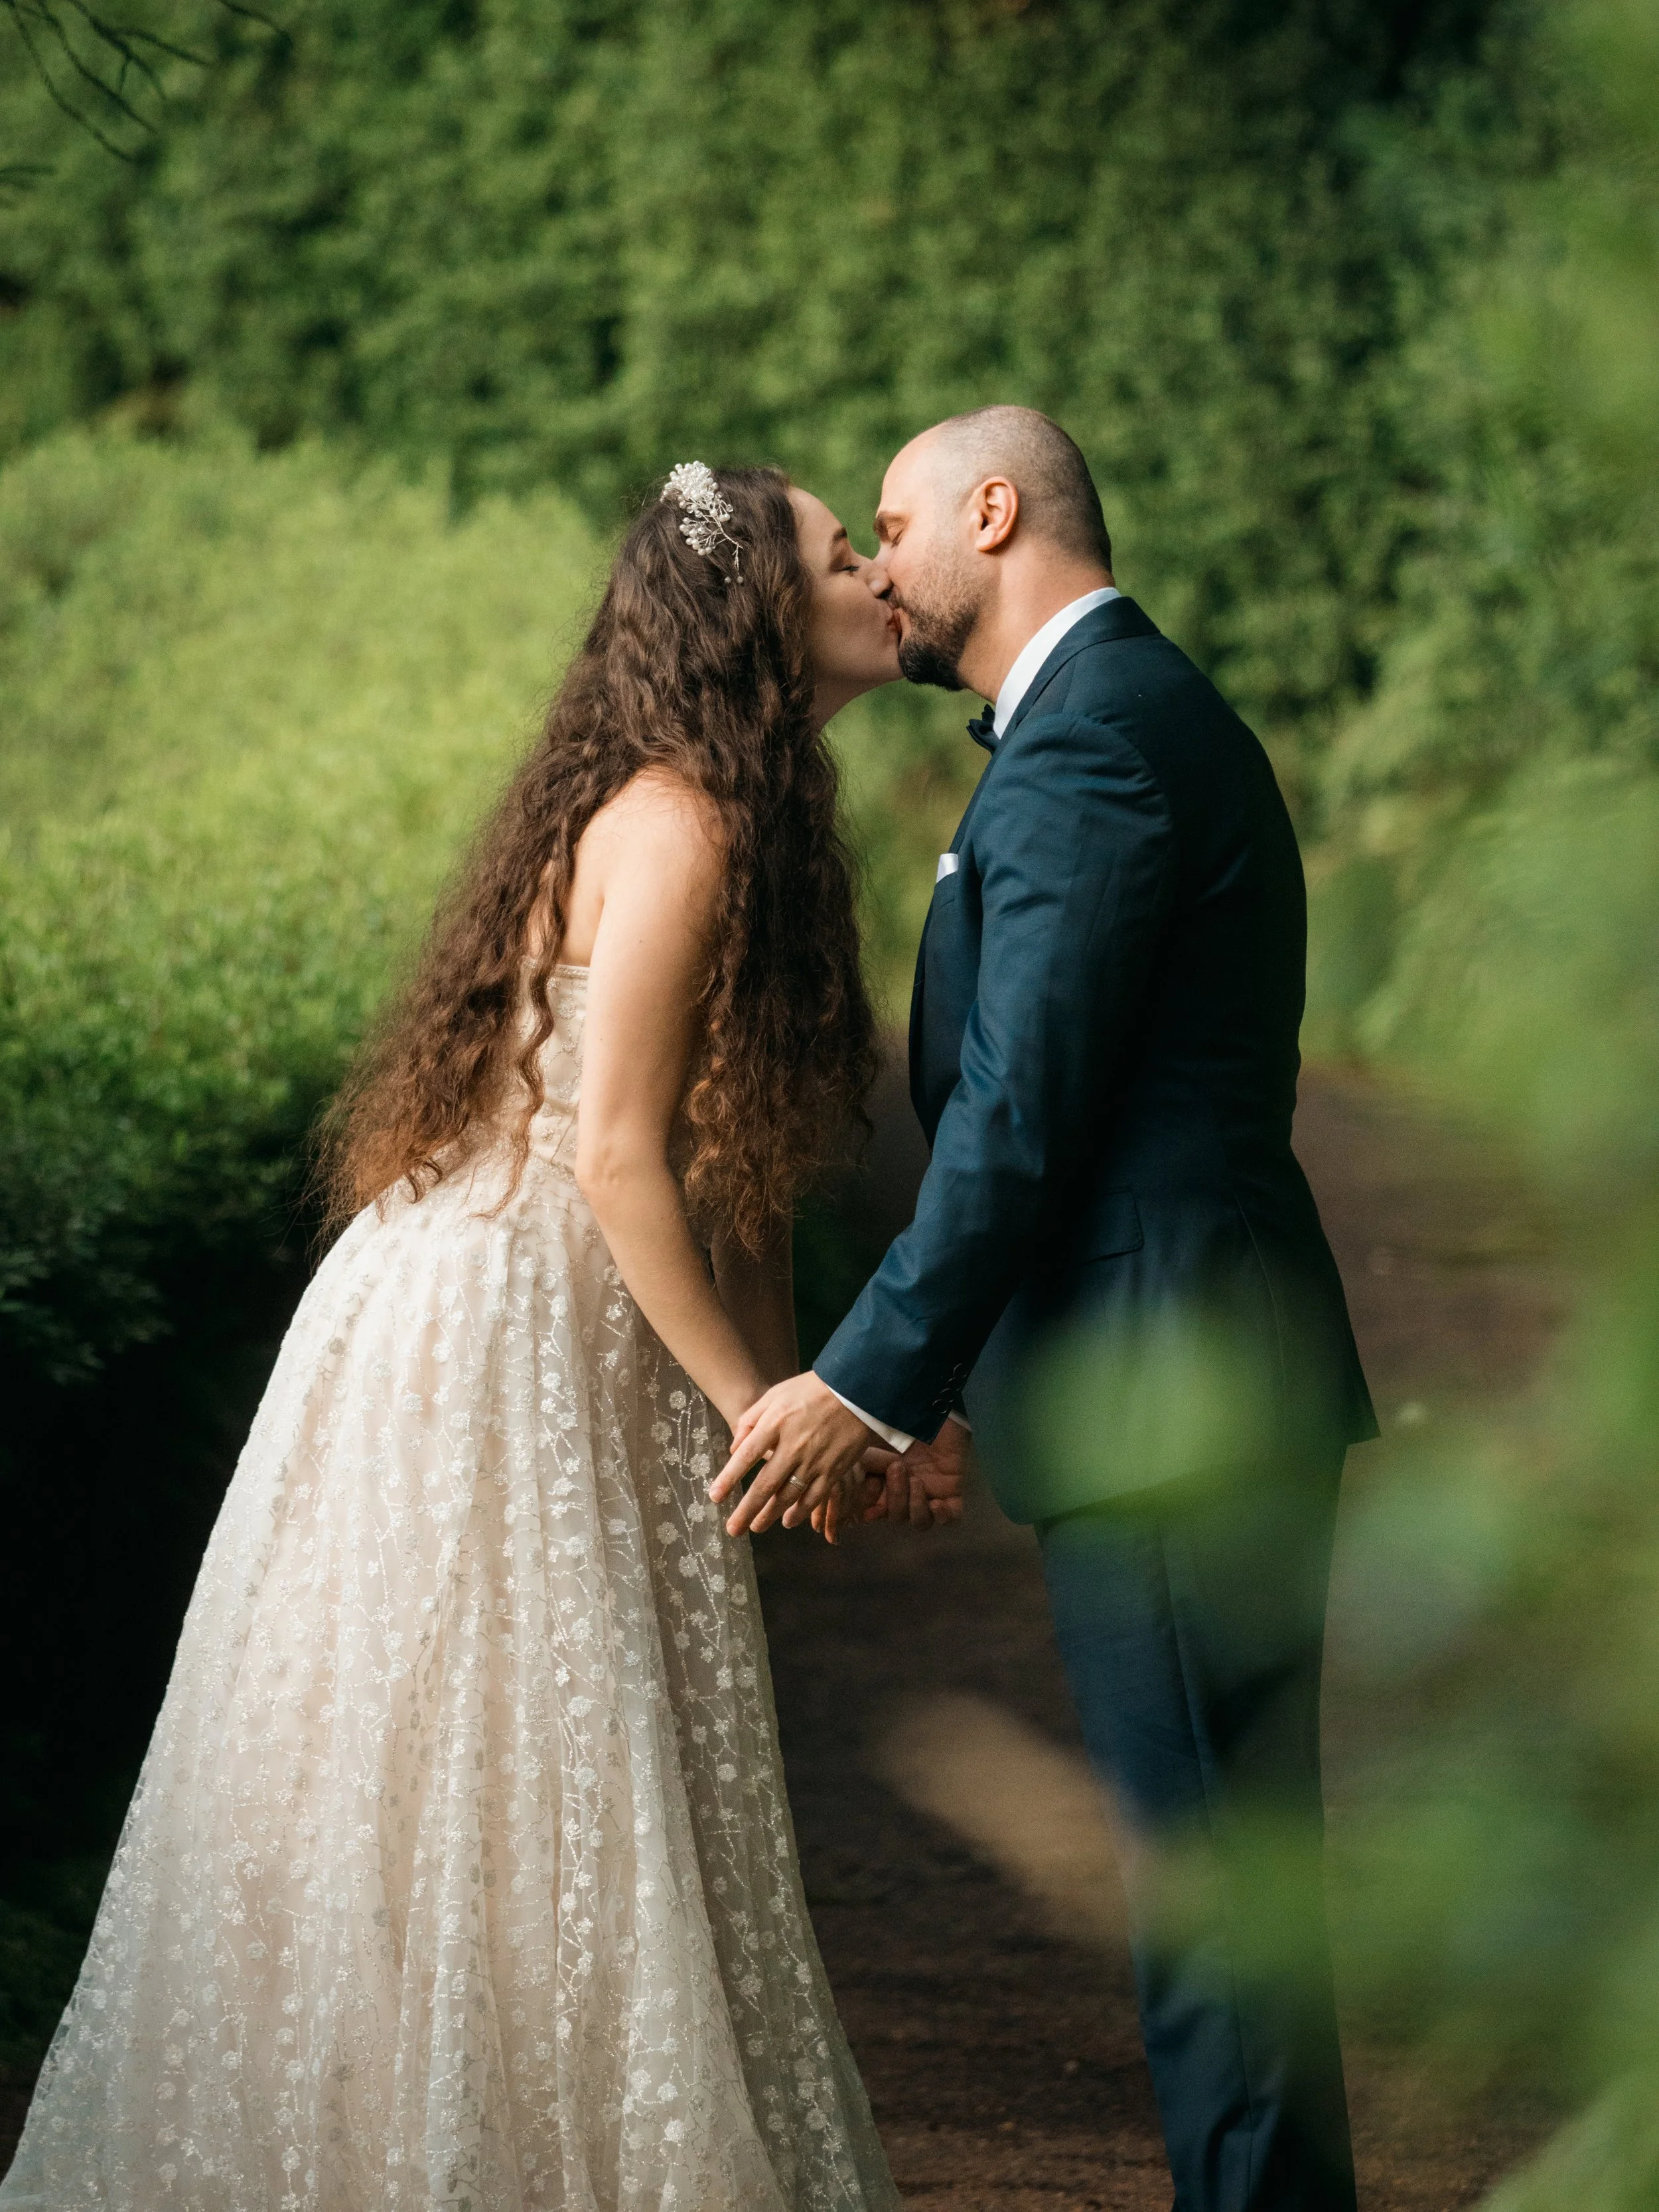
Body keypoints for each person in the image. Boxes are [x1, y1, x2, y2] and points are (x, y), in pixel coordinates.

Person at [1, 465, 905, 2212]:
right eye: (834, 550)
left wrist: (814, 1394)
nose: (871, 572)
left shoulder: (743, 822)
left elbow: (743, 1165)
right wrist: (759, 1410)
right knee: (473, 1762)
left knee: (540, 1767)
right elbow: (621, 1152)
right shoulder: (679, 823)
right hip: (491, 1327)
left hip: (544, 1311)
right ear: (757, 617)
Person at [715, 407, 1379, 2212]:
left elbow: (1021, 1117)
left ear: (992, 514)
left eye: (894, 524)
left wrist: (862, 1382)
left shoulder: (1096, 745)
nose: (879, 561)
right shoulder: (1108, 725)